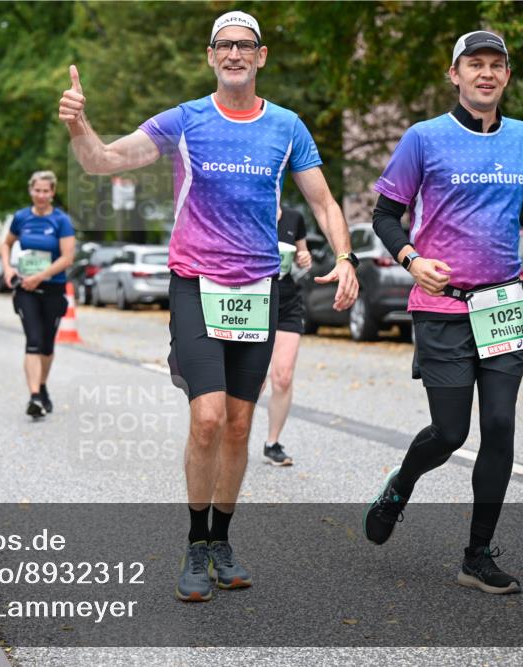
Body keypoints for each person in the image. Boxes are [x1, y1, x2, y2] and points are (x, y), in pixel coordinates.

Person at [59, 10, 358, 602]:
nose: (235, 54)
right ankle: (196, 544)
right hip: (196, 285)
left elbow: (323, 203)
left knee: (242, 423)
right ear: (210, 55)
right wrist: (79, 126)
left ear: (262, 56)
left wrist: (344, 256)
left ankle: (222, 540)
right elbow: (104, 161)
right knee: (208, 418)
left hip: (257, 291)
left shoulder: (288, 127)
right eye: (225, 45)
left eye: (246, 46)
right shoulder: (186, 120)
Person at [364, 30, 523, 595]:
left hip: (502, 305)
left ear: (507, 77)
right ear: (455, 74)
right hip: (441, 305)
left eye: (496, 65)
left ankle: (477, 555)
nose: (485, 73)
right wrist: (411, 259)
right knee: (448, 431)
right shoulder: (424, 138)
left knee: (498, 426)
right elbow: (386, 215)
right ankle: (401, 484)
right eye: (475, 64)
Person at [0, 171, 76, 419]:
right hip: (25, 290)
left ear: (52, 192)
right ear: (31, 191)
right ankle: (34, 396)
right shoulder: (21, 218)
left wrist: (40, 276)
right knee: (32, 340)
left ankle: (42, 386)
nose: (41, 195)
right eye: (37, 190)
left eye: (46, 191)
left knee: (46, 345)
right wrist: (8, 268)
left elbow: (67, 257)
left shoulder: (60, 221)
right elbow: (5, 244)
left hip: (52, 289)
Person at [259, 206, 311, 466]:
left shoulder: (294, 217)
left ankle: (272, 443)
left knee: (283, 377)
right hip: (253, 300)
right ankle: (232, 438)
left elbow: (303, 253)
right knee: (253, 381)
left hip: (287, 303)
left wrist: (304, 257)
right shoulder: (249, 209)